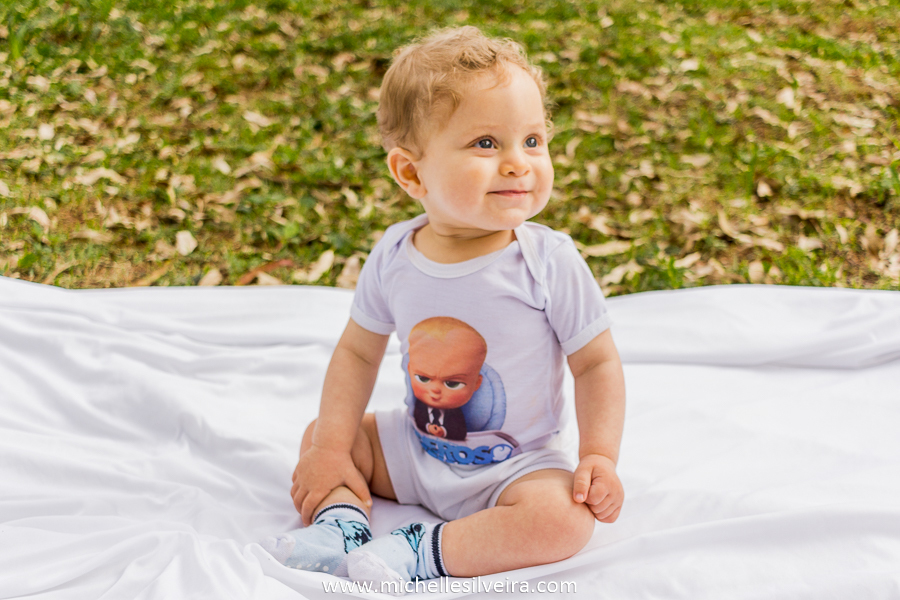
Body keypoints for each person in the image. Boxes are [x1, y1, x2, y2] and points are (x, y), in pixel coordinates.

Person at [262, 25, 626, 588]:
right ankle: (341, 527)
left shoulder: (546, 259)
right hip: (414, 447)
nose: (517, 162)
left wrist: (599, 455)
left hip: (515, 464)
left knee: (563, 521)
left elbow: (596, 363)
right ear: (410, 172)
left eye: (532, 141)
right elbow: (358, 353)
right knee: (324, 436)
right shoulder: (395, 255)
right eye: (486, 144)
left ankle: (420, 551)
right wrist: (334, 448)